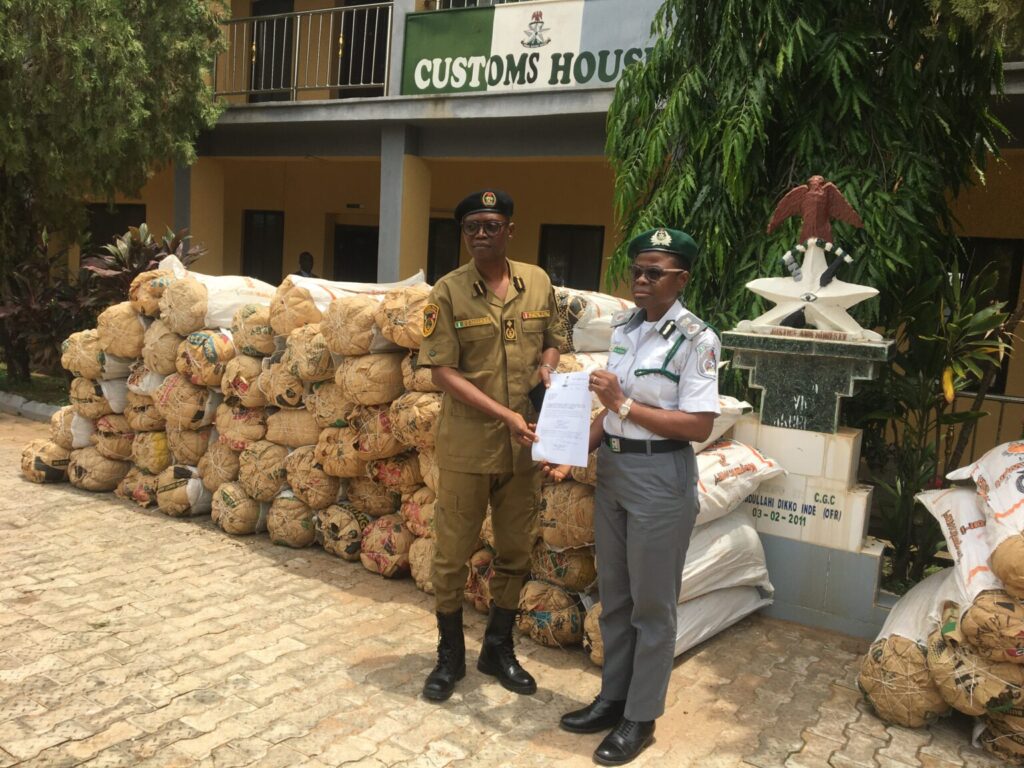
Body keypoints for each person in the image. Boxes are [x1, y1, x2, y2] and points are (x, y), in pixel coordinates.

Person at [548, 227, 720, 765]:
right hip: (616, 472)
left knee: (652, 605)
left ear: (681, 279)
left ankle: (640, 718)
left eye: (654, 273)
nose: (641, 281)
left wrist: (623, 404)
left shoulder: (697, 339)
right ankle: (612, 699)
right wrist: (571, 451)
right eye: (637, 271)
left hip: (661, 477)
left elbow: (698, 425)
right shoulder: (625, 327)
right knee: (616, 597)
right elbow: (608, 413)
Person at [417, 189, 565, 702]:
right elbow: (440, 371)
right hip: (469, 446)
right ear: (463, 234)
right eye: (471, 227)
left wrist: (548, 368)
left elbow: (554, 339)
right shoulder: (448, 292)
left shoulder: (538, 282)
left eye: (491, 225)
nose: (481, 234)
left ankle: (498, 648)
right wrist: (505, 414)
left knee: (516, 549)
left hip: (523, 447)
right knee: (452, 554)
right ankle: (450, 655)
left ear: (509, 230)